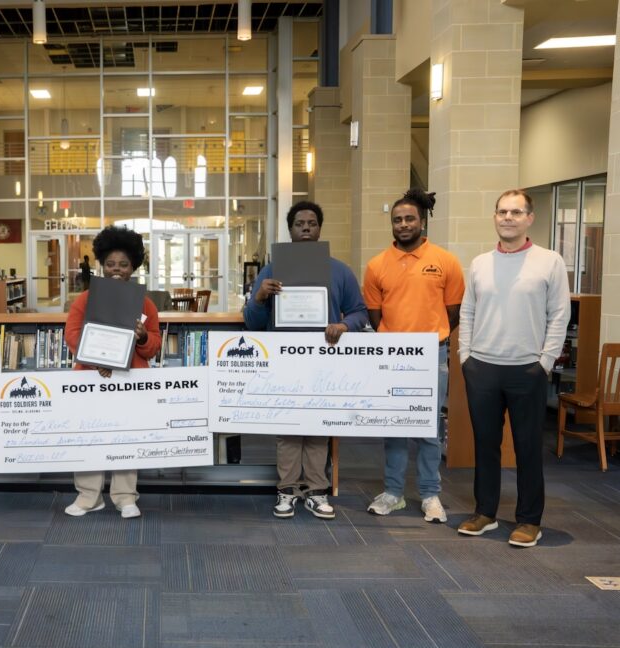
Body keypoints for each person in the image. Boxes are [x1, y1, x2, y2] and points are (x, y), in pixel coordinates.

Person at [457, 189, 570, 548]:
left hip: (527, 370)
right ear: (495, 217)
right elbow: (468, 312)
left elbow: (559, 315)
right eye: (502, 211)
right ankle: (485, 512)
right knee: (485, 444)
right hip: (483, 368)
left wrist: (545, 362)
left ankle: (529, 520)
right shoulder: (480, 263)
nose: (508, 217)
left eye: (516, 212)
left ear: (529, 218)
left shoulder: (549, 261)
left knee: (527, 447)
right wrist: (466, 357)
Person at [243, 201, 368, 520]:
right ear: (291, 230)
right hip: (284, 361)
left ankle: (315, 491)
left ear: (320, 229)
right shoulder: (271, 271)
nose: (306, 228)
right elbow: (253, 323)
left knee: (317, 426)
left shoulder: (339, 270)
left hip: (323, 360)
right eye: (300, 224)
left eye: (312, 223)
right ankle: (286, 491)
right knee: (287, 427)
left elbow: (359, 312)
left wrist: (344, 325)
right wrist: (259, 298)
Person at [362, 189, 464, 523]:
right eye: (397, 220)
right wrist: (397, 340)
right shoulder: (377, 265)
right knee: (394, 426)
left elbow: (453, 313)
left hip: (432, 352)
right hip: (391, 354)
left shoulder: (445, 261)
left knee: (429, 426)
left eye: (409, 219)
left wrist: (426, 338)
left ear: (422, 221)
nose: (403, 225)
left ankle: (430, 494)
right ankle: (393, 493)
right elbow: (376, 317)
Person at [63, 226, 162, 518]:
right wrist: (98, 362)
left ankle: (125, 496)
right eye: (110, 264)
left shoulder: (146, 304)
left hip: (130, 378)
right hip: (92, 377)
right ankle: (88, 496)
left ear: (134, 267)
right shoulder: (84, 299)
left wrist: (143, 337)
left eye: (123, 264)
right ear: (101, 265)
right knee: (89, 435)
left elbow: (154, 345)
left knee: (126, 435)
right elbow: (72, 336)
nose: (116, 270)